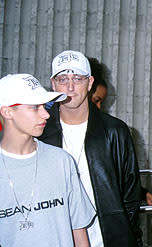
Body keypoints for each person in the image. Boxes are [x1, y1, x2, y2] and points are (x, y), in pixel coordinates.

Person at [38, 50, 143, 247]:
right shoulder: (39, 131)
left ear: (90, 82)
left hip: (105, 238)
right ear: (53, 84)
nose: (70, 87)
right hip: (54, 237)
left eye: (77, 78)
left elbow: (130, 196)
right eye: (62, 79)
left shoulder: (114, 131)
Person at [0, 73, 95, 246]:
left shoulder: (62, 161)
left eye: (44, 106)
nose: (46, 114)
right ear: (7, 111)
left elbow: (79, 231)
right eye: (35, 107)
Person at [87, 57, 152, 220]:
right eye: (96, 101)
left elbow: (114, 177)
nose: (99, 108)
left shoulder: (110, 131)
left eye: (101, 103)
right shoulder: (48, 130)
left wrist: (142, 194)